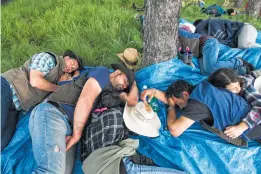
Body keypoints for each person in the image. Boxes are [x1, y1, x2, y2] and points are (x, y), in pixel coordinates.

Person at [29, 63, 138, 173]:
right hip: (54, 114)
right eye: (125, 80)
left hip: (69, 129)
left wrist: (133, 82)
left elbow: (132, 101)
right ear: (116, 72)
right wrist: (76, 135)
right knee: (51, 170)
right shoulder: (103, 73)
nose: (125, 86)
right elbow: (86, 99)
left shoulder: (112, 95)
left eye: (127, 86)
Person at [1, 50, 83, 151]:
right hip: (7, 88)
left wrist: (71, 78)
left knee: (3, 142)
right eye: (72, 63)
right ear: (66, 57)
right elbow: (35, 81)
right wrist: (58, 88)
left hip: (15, 107)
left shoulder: (59, 80)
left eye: (73, 69)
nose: (71, 68)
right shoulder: (48, 59)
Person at [141, 79, 251, 146]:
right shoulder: (202, 87)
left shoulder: (196, 105)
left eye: (178, 103)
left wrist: (171, 107)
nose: (179, 107)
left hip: (251, 126)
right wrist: (154, 92)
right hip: (245, 108)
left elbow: (175, 131)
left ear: (185, 94)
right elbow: (171, 98)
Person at [208, 68, 261, 142]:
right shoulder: (216, 90)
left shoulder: (245, 86)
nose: (238, 89)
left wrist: (241, 127)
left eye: (238, 85)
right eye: (233, 89)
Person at [178, 24, 247, 75]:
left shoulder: (177, 32)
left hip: (208, 43)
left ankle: (238, 61)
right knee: (205, 74)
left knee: (210, 69)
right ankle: (240, 71)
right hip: (201, 51)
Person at [194, 18, 261, 49]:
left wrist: (194, 28)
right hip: (242, 37)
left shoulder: (213, 21)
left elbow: (199, 26)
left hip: (245, 28)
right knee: (245, 46)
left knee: (243, 45)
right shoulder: (208, 35)